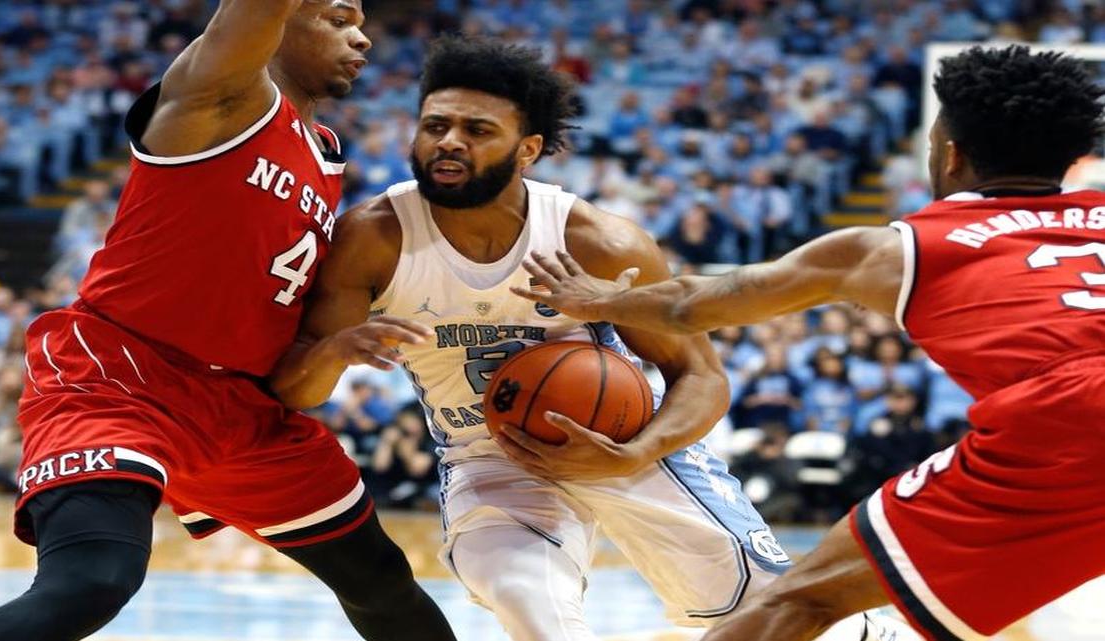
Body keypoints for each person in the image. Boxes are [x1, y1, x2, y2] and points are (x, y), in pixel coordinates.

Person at [271, 36, 908, 641]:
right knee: (532, 612)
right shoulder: (372, 238)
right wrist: (333, 353)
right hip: (488, 458)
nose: (449, 143)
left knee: (773, 614)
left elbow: (702, 376)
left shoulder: (596, 242)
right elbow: (296, 391)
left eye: (478, 130)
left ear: (528, 150)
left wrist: (636, 451)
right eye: (436, 125)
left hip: (622, 443)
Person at [513, 45, 1105, 641]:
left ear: (951, 156)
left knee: (799, 602)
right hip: (1071, 421)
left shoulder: (905, 247)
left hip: (1066, 423)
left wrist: (600, 300)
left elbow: (691, 306)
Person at [0, 2, 456, 640]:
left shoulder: (328, 157)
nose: (362, 35)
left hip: (240, 409)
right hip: (123, 377)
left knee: (382, 580)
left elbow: (292, 387)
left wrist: (335, 349)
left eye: (361, 22)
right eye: (338, 17)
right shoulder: (221, 99)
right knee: (93, 580)